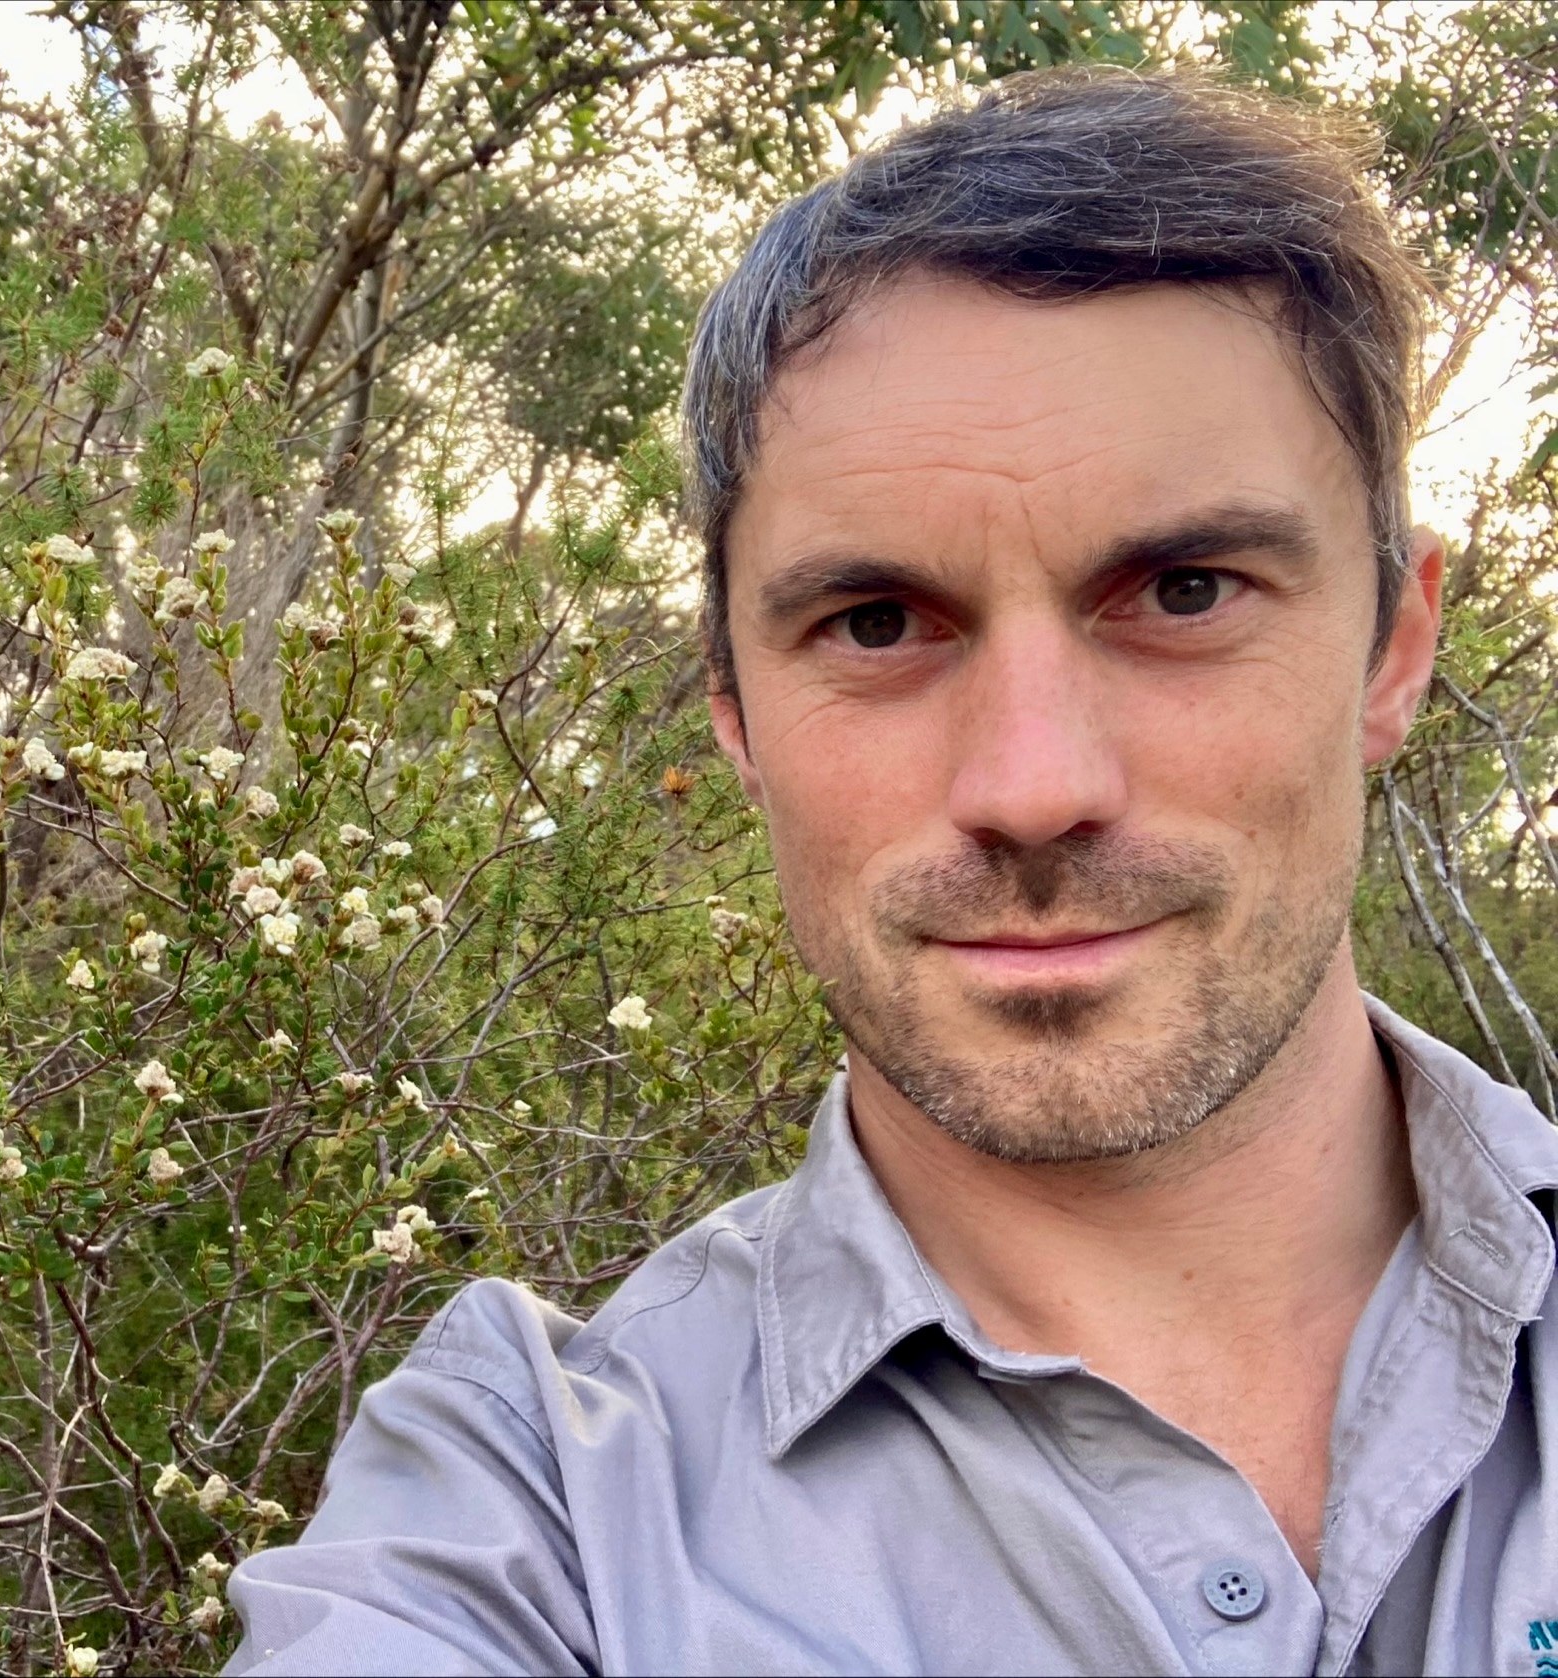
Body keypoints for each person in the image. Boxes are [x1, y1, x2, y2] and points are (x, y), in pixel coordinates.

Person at [226, 67, 1558, 1676]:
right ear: (734, 712)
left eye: (1187, 590)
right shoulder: (542, 1509)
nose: (1034, 785)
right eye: (875, 625)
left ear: (1392, 647)